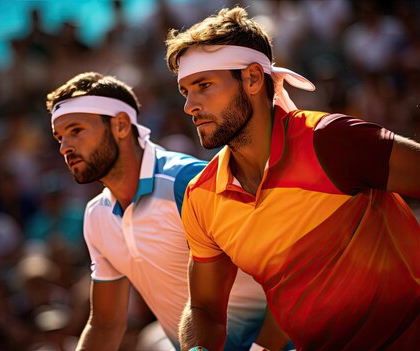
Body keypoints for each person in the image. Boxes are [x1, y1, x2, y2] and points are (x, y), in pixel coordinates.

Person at [165, 7, 420, 351]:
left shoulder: (330, 140)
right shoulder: (200, 197)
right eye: (186, 91)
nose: (189, 106)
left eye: (204, 86)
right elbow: (205, 309)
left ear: (254, 79)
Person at [47, 72, 292, 351]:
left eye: (76, 130)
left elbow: (284, 270)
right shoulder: (96, 216)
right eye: (59, 138)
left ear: (122, 126)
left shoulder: (187, 182)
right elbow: (105, 324)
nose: (65, 147)